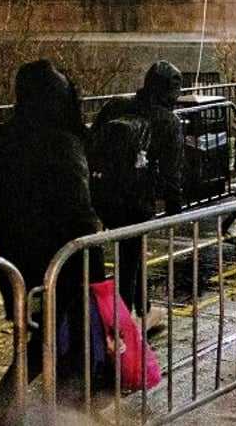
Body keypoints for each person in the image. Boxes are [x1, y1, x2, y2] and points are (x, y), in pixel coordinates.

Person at [0, 60, 106, 422]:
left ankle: (6, 410)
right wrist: (97, 271)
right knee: (59, 345)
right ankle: (15, 411)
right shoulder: (63, 142)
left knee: (37, 338)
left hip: (15, 259)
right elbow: (78, 211)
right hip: (61, 263)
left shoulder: (2, 138)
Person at [90, 61, 184, 328]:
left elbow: (92, 141)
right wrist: (174, 205)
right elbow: (171, 171)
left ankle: (144, 308)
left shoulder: (115, 106)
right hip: (136, 198)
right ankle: (122, 326)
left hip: (102, 191)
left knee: (131, 252)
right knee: (129, 258)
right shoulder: (168, 121)